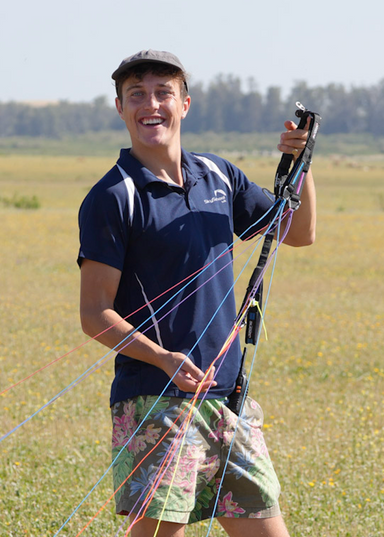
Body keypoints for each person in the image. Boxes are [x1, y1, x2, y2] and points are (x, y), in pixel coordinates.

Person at [77, 50, 316, 537]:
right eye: (137, 94)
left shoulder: (219, 176)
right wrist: (165, 358)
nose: (152, 104)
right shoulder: (114, 196)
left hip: (228, 398)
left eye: (163, 92)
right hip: (156, 401)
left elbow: (298, 231)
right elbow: (95, 314)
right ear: (120, 107)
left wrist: (301, 163)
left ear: (185, 104)